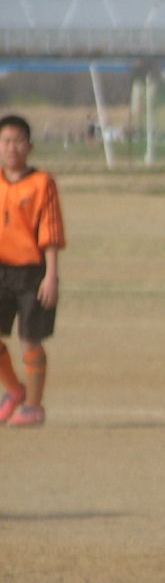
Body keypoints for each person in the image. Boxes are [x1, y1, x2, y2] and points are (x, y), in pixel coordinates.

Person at [0, 114, 65, 427]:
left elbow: (50, 232)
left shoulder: (41, 183)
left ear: (29, 146)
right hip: (1, 270)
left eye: (18, 141)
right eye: (6, 141)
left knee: (29, 340)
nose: (12, 147)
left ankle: (33, 407)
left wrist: (51, 276)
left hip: (32, 273)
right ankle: (15, 390)